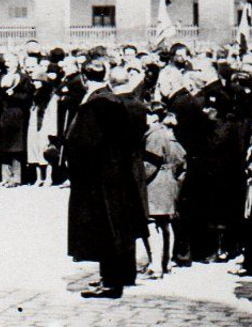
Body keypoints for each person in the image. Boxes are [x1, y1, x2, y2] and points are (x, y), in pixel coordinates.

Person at [61, 55, 147, 299]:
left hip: (98, 179)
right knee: (115, 228)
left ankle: (110, 282)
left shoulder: (96, 104)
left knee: (104, 229)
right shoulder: (114, 100)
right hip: (116, 175)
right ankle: (114, 278)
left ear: (85, 77)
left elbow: (86, 144)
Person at [142, 103, 187, 277]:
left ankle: (155, 265)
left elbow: (150, 165)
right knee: (166, 224)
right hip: (168, 182)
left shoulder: (154, 135)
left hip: (155, 184)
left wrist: (138, 179)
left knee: (152, 224)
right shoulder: (169, 136)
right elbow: (181, 159)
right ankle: (166, 263)